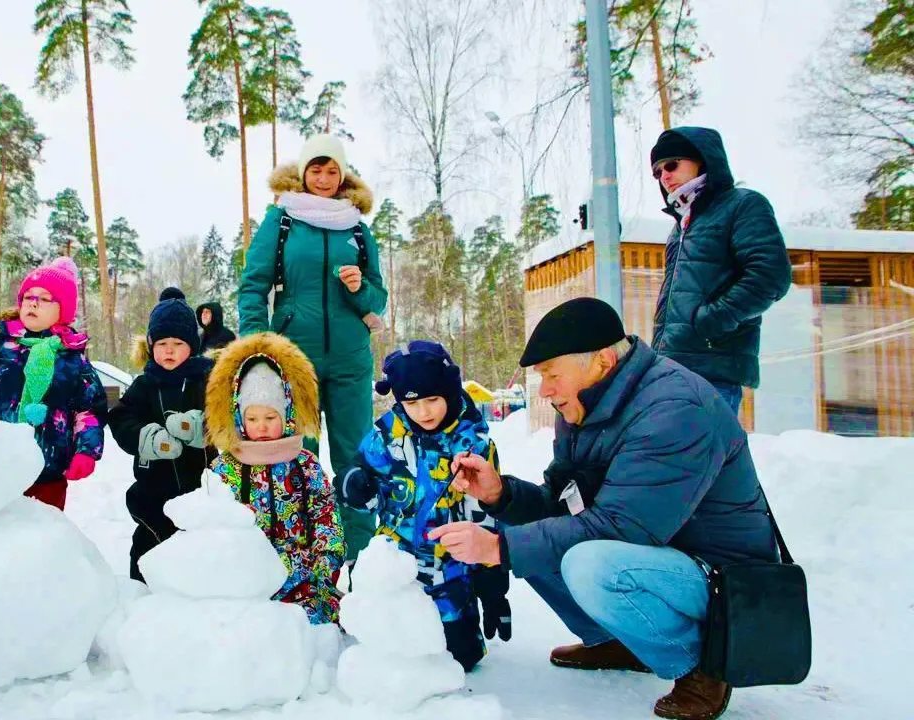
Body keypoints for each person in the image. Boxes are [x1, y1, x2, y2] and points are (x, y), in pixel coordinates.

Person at [430, 297, 778, 720]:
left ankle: (703, 661)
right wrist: (499, 494)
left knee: (586, 562)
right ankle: (623, 641)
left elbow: (622, 528)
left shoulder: (675, 409)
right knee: (532, 533)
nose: (545, 391)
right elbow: (559, 507)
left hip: (721, 580)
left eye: (553, 375)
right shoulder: (583, 406)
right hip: (656, 557)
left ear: (603, 361)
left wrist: (498, 549)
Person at [238, 133, 387, 565]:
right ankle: (303, 564)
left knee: (356, 460)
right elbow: (253, 286)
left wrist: (360, 290)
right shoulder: (282, 220)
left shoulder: (357, 227)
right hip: (294, 359)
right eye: (316, 170)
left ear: (343, 176)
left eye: (332, 170)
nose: (324, 178)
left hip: (350, 360)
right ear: (303, 174)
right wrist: (258, 344)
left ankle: (359, 564)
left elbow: (378, 298)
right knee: (298, 461)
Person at [338, 341, 512, 673]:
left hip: (450, 570)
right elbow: (361, 483)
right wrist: (354, 485)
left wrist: (493, 586)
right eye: (412, 403)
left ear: (449, 391)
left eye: (432, 400)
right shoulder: (385, 438)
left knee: (461, 657)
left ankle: (460, 626)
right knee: (386, 651)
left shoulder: (472, 444)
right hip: (396, 565)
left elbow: (488, 515)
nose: (424, 412)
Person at [648, 126, 792, 414]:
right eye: (658, 171)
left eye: (672, 164)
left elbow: (771, 276)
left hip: (713, 370)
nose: (665, 176)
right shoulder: (682, 225)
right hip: (673, 368)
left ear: (702, 159)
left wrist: (712, 320)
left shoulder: (742, 205)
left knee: (703, 455)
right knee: (682, 457)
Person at [205, 332, 345, 625]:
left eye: (271, 418)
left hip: (304, 581)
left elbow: (325, 515)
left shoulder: (305, 464)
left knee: (305, 630)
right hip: (245, 582)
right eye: (253, 419)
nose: (262, 427)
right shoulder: (225, 468)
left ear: (287, 414)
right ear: (239, 417)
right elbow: (211, 525)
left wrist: (323, 566)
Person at [0, 257, 105, 511]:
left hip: (47, 470)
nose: (33, 302)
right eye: (28, 296)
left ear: (63, 311)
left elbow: (89, 409)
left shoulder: (74, 360)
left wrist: (87, 450)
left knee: (39, 541)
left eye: (44, 298)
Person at [107, 294, 214, 582]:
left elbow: (227, 419)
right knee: (147, 550)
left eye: (178, 344)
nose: (169, 351)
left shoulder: (208, 381)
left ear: (191, 347)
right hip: (154, 490)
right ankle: (141, 597)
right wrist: (147, 439)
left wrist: (201, 429)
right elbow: (120, 418)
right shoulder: (144, 384)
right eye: (162, 344)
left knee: (201, 555)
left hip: (200, 488)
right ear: (151, 346)